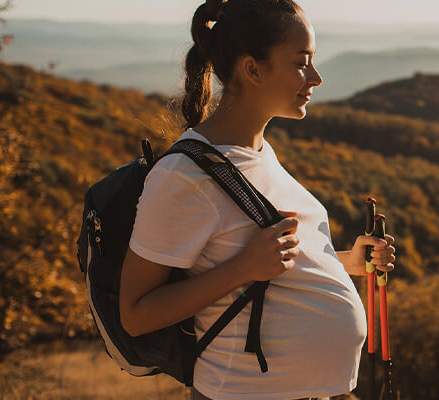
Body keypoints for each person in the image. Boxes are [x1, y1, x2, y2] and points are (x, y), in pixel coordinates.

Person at [118, 1, 396, 399]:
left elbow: (260, 254)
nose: (315, 77)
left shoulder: (257, 151)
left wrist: (347, 261)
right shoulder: (183, 176)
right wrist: (243, 268)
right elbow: (135, 314)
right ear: (253, 69)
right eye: (302, 62)